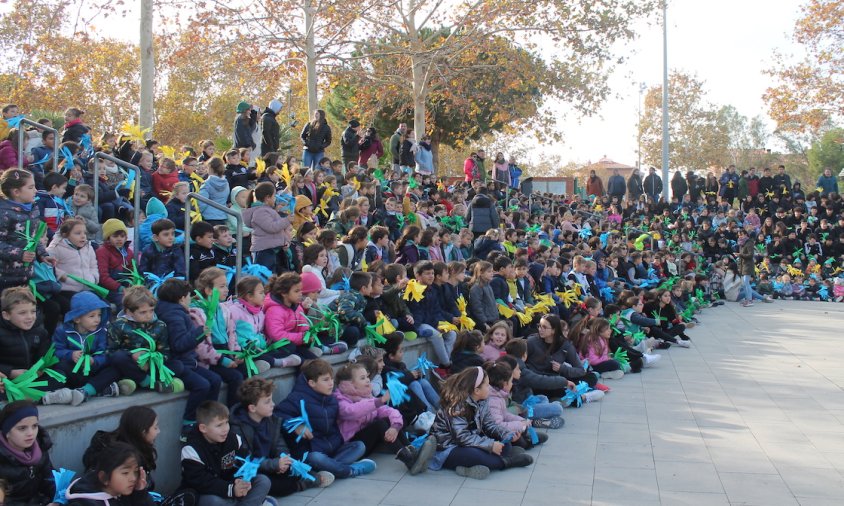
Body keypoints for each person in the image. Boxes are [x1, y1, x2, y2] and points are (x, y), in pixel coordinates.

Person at [229, 377, 334, 497]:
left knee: (292, 464)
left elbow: (280, 444)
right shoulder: (238, 427)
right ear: (252, 408)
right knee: (269, 484)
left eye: (271, 400)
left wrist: (283, 460)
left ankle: (303, 477)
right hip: (253, 471)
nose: (273, 404)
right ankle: (301, 484)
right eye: (267, 401)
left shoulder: (272, 420)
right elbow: (247, 459)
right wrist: (275, 464)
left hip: (272, 464)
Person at [274, 359, 376, 479]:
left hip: (332, 450)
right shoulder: (297, 398)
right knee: (316, 458)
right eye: (325, 380)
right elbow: (277, 414)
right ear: (312, 383)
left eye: (331, 379)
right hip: (311, 453)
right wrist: (296, 425)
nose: (331, 383)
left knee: (359, 446)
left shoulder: (331, 399)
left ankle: (330, 468)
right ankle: (350, 470)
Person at [428, 367, 533, 480]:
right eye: (487, 385)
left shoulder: (482, 401)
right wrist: (490, 445)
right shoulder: (456, 406)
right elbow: (462, 437)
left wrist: (506, 434)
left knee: (505, 445)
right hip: (448, 448)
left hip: (470, 440)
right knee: (477, 456)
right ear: (476, 390)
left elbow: (490, 425)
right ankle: (507, 462)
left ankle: (477, 464)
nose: (490, 388)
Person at [333, 362, 437, 473]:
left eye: (367, 376)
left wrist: (395, 426)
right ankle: (408, 459)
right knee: (379, 424)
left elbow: (387, 411)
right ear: (349, 384)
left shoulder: (366, 396)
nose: (368, 380)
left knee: (388, 420)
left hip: (368, 442)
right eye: (362, 378)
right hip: (352, 446)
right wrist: (380, 400)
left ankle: (411, 451)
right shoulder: (340, 400)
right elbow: (353, 411)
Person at [181, 401, 272, 506]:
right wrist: (231, 489)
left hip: (231, 489)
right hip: (206, 493)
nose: (225, 429)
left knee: (263, 481)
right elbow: (201, 482)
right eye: (219, 425)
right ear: (203, 428)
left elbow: (242, 465)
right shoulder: (191, 450)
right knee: (214, 501)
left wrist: (241, 480)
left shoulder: (234, 439)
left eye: (226, 422)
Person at [0, 401, 57, 505]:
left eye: (34, 426)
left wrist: (61, 496)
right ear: (6, 432)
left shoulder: (40, 449)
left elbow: (50, 480)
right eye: (22, 428)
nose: (31, 433)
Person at [65, 441, 154, 506]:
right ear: (104, 478)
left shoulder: (124, 493)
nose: (133, 478)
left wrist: (139, 493)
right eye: (125, 473)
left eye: (135, 471)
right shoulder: (84, 503)